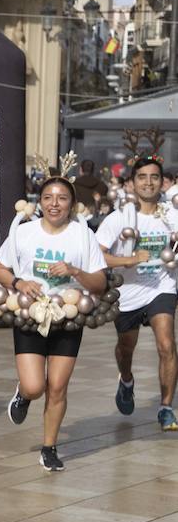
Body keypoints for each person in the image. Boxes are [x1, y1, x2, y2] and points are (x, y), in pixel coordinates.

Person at [0, 178, 109, 470]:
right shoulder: (24, 232)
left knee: (57, 387)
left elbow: (99, 282)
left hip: (68, 318)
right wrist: (19, 282)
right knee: (36, 386)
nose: (54, 203)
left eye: (61, 198)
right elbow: (0, 269)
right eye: (48, 197)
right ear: (40, 201)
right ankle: (23, 395)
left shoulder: (83, 236)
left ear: (72, 203)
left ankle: (49, 447)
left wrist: (75, 271)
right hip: (30, 315)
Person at [96, 156, 178, 431]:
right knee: (126, 348)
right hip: (128, 292)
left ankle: (166, 407)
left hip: (162, 286)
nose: (148, 182)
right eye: (142, 177)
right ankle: (126, 379)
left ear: (162, 182)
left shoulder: (172, 215)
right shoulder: (119, 219)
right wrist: (128, 260)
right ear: (132, 183)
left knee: (166, 344)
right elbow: (96, 256)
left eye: (154, 177)